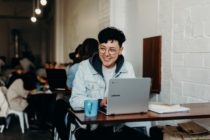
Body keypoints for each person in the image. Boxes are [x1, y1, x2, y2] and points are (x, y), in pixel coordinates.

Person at [69, 27, 149, 140]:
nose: (106, 54)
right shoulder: (84, 67)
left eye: (112, 50)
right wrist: (99, 102)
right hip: (91, 129)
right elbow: (75, 100)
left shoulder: (127, 68)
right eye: (103, 48)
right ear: (98, 47)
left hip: (117, 129)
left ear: (121, 50)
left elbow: (132, 102)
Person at [54, 38, 98, 140]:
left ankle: (63, 136)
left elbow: (69, 86)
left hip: (81, 107)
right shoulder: (101, 66)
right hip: (97, 107)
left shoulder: (76, 67)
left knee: (58, 105)